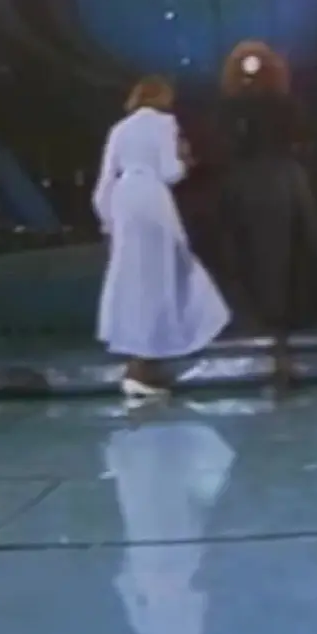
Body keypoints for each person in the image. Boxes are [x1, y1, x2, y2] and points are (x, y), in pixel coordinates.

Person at [92, 76, 230, 399]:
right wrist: (184, 160)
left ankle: (141, 364)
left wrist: (107, 221)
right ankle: (146, 365)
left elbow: (104, 182)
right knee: (164, 275)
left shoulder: (119, 129)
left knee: (132, 280)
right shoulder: (165, 124)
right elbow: (170, 171)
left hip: (124, 200)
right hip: (152, 198)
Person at [217, 40, 317, 386]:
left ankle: (275, 336)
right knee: (270, 258)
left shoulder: (266, 108)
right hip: (271, 183)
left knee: (271, 259)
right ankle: (273, 337)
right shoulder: (263, 108)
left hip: (261, 184)